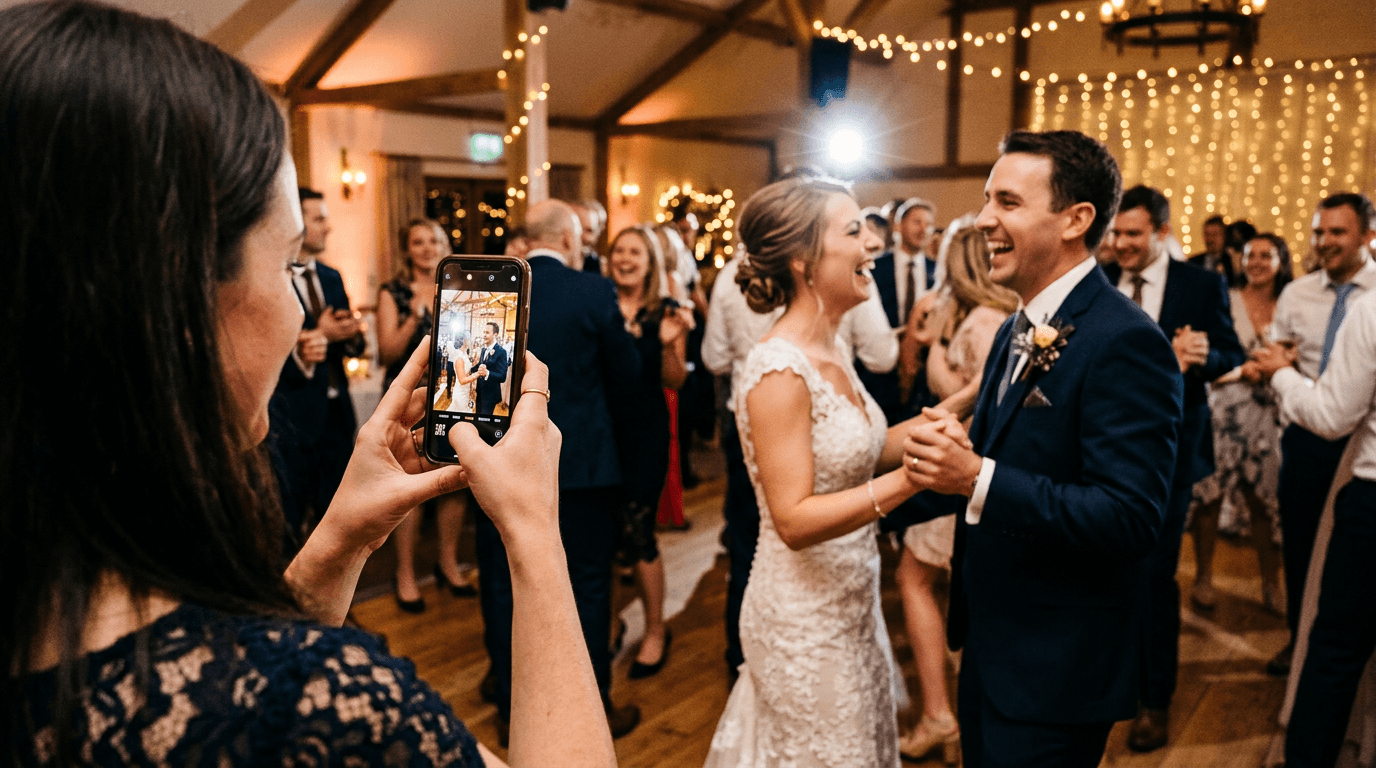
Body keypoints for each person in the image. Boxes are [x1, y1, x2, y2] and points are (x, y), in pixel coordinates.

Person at [0, 4, 618, 767]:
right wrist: (534, 536)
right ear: (180, 303)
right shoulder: (320, 714)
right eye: (292, 262)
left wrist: (338, 540)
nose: (302, 306)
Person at [902, 130, 1184, 768]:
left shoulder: (1125, 341)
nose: (982, 220)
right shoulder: (1015, 327)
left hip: (1056, 662)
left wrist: (977, 476)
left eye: (1007, 202)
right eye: (985, 200)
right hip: (994, 643)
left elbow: (1131, 516)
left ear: (1075, 220)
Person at [704, 175, 960, 768]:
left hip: (852, 598)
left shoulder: (833, 346)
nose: (872, 242)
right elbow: (792, 518)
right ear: (803, 261)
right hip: (800, 618)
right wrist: (913, 479)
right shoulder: (778, 370)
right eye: (853, 231)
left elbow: (864, 447)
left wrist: (970, 401)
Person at [474, 198, 643, 743]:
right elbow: (626, 377)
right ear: (569, 240)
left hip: (501, 463)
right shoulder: (593, 291)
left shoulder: (498, 289)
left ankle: (507, 706)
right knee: (588, 585)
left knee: (503, 583)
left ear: (527, 240)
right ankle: (592, 706)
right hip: (586, 466)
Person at [1101, 184, 1245, 752]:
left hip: (1171, 455)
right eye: (1116, 234)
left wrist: (1205, 356)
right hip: (1104, 452)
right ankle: (1112, 682)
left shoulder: (1200, 284)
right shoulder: (1101, 281)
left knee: (1154, 575)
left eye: (1133, 234)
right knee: (1112, 571)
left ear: (1161, 232)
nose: (1121, 244)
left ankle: (1154, 701)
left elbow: (1232, 355)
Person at [895, 225, 1018, 763]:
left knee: (923, 580)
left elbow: (958, 394)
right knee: (935, 582)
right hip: (957, 471)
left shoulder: (983, 322)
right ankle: (952, 709)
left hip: (960, 472)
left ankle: (944, 712)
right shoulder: (987, 316)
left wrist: (936, 343)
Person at [1251, 285, 1376, 768]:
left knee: (1337, 651)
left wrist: (1281, 375)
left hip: (1371, 504)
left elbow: (1330, 416)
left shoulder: (1369, 310)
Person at [1265, 192, 1376, 676]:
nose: (1324, 243)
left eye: (1337, 232)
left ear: (1367, 236)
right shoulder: (1296, 293)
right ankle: (1299, 640)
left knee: (1350, 559)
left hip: (1361, 443)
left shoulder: (1374, 301)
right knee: (1301, 544)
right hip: (1308, 438)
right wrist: (1275, 371)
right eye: (1318, 232)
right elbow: (1278, 356)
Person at [1188, 233, 1293, 617]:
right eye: (1250, 255)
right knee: (1210, 496)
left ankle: (1271, 582)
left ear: (1282, 260)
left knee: (1266, 502)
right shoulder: (1225, 299)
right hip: (1224, 408)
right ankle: (1202, 578)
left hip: (1270, 415)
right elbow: (1207, 354)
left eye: (1266, 255)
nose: (1257, 262)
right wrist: (1241, 370)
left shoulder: (1292, 303)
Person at [603, 225, 692, 679]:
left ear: (650, 260)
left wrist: (666, 344)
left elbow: (675, 380)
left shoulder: (666, 311)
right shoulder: (598, 303)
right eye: (619, 250)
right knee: (605, 534)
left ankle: (655, 629)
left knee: (638, 531)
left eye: (634, 251)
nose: (625, 258)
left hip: (644, 432)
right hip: (601, 430)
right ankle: (612, 621)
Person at [378, 219, 476, 611]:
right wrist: (415, 313)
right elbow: (387, 351)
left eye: (434, 240)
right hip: (409, 400)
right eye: (417, 242)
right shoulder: (394, 292)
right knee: (411, 484)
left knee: (453, 478)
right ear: (407, 249)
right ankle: (405, 573)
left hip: (453, 392)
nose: (427, 248)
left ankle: (448, 562)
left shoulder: (462, 287)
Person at [267, 187, 365, 542]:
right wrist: (316, 334)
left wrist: (350, 334)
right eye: (319, 218)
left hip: (337, 415)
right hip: (290, 416)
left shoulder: (331, 276)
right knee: (288, 521)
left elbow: (353, 344)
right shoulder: (270, 277)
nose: (328, 227)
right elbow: (264, 349)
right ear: (293, 219)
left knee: (338, 518)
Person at [862, 197, 940, 424]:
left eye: (929, 224)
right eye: (917, 222)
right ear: (898, 225)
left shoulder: (938, 271)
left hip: (922, 369)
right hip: (878, 370)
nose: (924, 229)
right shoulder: (875, 267)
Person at [470, 321, 510, 416]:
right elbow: (480, 365)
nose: (484, 335)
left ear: (495, 335)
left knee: (484, 422)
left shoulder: (501, 352)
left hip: (490, 395)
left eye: (487, 333)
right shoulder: (484, 350)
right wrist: (469, 369)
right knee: (477, 417)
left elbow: (502, 376)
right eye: (484, 332)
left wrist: (487, 373)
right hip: (479, 392)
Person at [1188, 215, 1239, 286]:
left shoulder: (1232, 262)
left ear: (1224, 236)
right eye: (1207, 234)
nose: (1210, 239)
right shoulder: (1192, 263)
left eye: (1214, 234)